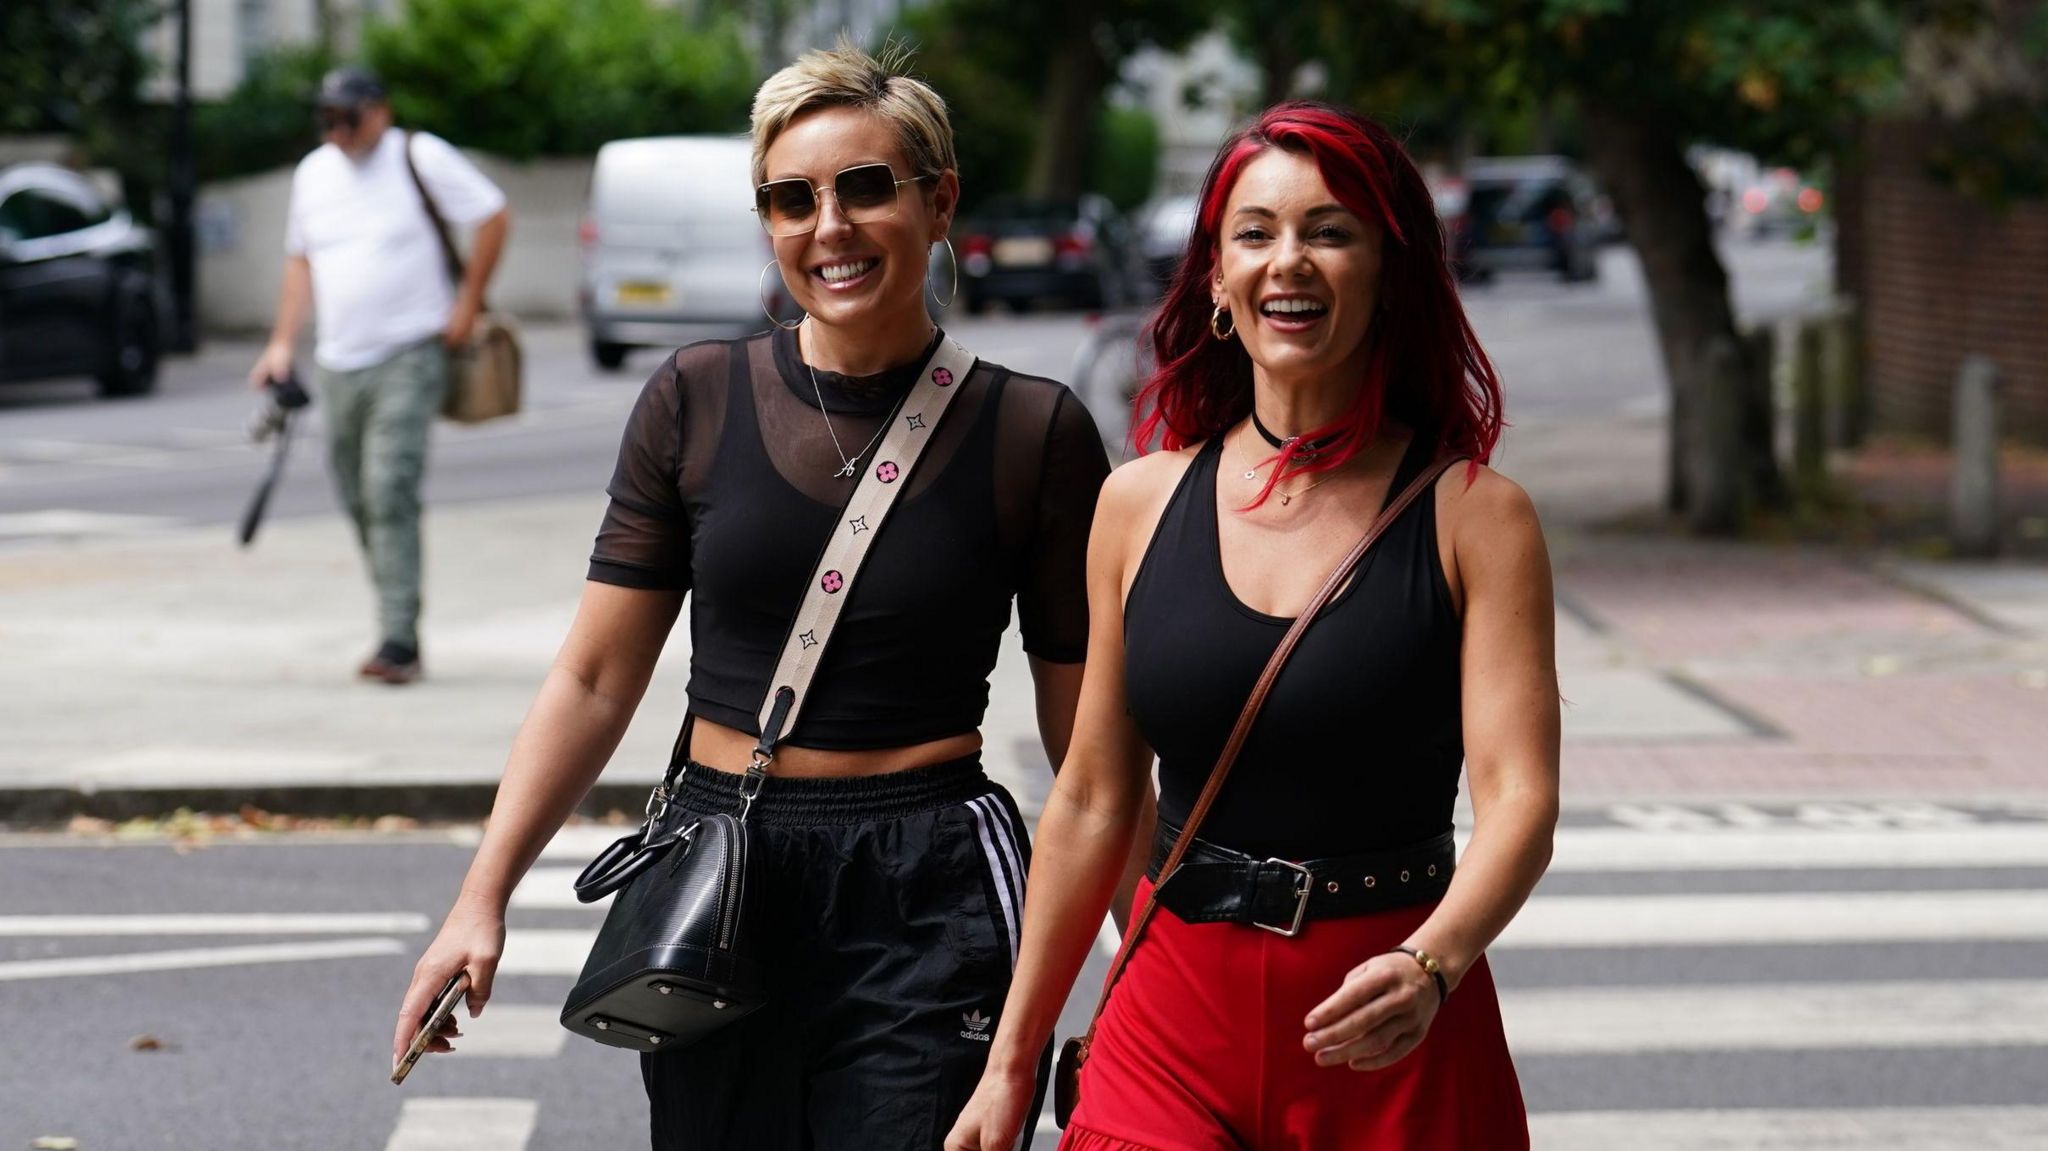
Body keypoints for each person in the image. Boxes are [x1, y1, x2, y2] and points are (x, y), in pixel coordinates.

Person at [393, 41, 1113, 1150]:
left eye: (866, 186)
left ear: (939, 202)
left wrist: (1148, 949)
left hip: (928, 883)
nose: (827, 226)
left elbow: (1089, 745)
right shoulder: (694, 397)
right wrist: (480, 893)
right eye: (790, 199)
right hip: (715, 873)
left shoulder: (1034, 431)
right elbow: (594, 674)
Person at [947, 101, 1561, 1151]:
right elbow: (1094, 796)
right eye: (1255, 232)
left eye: (1329, 230)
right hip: (1170, 1018)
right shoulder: (1135, 504)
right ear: (1218, 281)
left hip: (1385, 1018)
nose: (1290, 261)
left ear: (1386, 267)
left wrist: (1434, 960)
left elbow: (1518, 796)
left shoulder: (1474, 516)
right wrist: (1010, 1064)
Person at [249, 66, 511, 684]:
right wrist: (281, 344)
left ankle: (398, 637)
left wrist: (468, 303)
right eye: (326, 118)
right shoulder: (313, 173)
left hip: (410, 353)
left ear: (380, 111)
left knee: (388, 487)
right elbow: (300, 261)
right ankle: (394, 608)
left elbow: (493, 215)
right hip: (338, 360)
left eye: (347, 117)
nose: (336, 130)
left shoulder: (417, 155)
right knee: (355, 492)